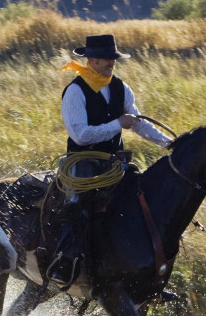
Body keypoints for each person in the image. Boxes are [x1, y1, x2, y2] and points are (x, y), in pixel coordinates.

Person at [48, 34, 173, 286]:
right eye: (106, 59)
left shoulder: (121, 87)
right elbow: (81, 135)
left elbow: (138, 123)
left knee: (143, 197)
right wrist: (117, 124)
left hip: (114, 161)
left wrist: (168, 143)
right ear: (91, 60)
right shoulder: (75, 91)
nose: (111, 63)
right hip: (83, 160)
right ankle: (65, 259)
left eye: (113, 59)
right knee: (78, 204)